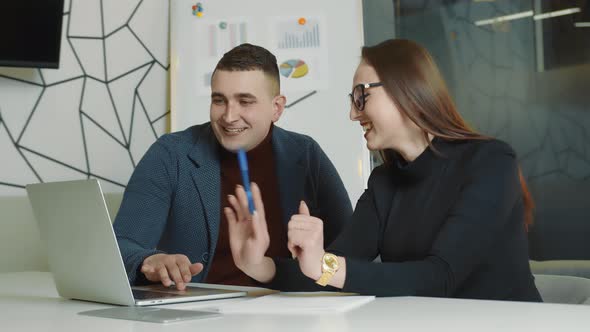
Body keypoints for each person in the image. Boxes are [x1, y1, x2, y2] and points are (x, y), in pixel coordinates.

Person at [225, 39, 542, 301]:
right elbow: (324, 272)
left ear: (406, 87)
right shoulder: (384, 183)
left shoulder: (491, 161)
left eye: (361, 96)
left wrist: (326, 265)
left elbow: (440, 277)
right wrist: (258, 264)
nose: (353, 114)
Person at [113, 43, 352, 290]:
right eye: (219, 100)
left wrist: (318, 265)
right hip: (196, 316)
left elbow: (353, 257)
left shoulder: (306, 154)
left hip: (289, 309)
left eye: (245, 101)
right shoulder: (170, 154)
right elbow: (121, 246)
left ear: (276, 108)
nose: (229, 116)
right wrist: (150, 260)